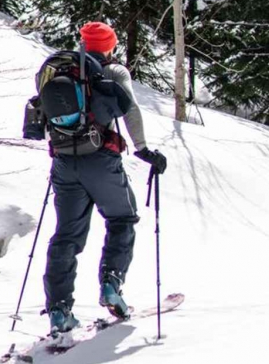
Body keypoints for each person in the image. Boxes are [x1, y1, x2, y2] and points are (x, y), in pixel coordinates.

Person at [42, 21, 167, 334]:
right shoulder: (113, 71)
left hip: (63, 160)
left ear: (83, 42)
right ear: (110, 46)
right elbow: (130, 111)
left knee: (66, 235)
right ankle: (111, 285)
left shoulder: (59, 68)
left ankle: (59, 310)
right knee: (122, 218)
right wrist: (143, 149)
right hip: (100, 158)